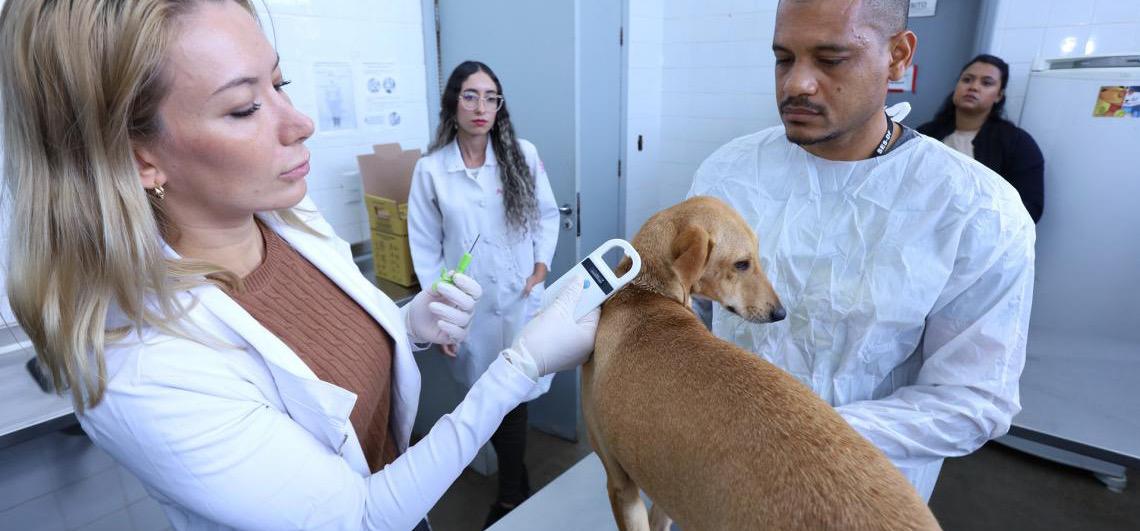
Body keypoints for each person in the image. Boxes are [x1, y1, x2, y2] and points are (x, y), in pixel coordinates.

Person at [0, 1, 597, 530]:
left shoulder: (284, 214)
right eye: (243, 107)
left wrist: (409, 324)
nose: (300, 122)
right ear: (139, 161)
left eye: (280, 83)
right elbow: (360, 515)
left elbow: (326, 359)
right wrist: (520, 366)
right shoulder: (142, 370)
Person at [688, 0, 1035, 502]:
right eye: (784, 59)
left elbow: (971, 398)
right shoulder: (729, 173)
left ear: (897, 56)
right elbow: (689, 310)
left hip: (862, 491)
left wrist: (796, 434)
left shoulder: (975, 209)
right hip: (720, 471)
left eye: (831, 60)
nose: (796, 85)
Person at [407, 60, 560, 527]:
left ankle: (512, 491)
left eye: (490, 97)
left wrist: (540, 265)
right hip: (466, 307)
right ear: (453, 103)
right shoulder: (432, 170)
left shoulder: (522, 154)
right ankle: (518, 482)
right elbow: (425, 245)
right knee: (485, 396)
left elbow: (547, 216)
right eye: (470, 95)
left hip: (519, 298)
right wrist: (440, 315)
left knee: (513, 395)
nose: (481, 106)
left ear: (499, 106)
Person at [918, 54, 1045, 222]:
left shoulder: (1018, 143)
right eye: (967, 80)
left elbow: (1029, 210)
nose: (974, 87)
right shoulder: (925, 135)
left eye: (986, 83)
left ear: (999, 95)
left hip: (980, 241)